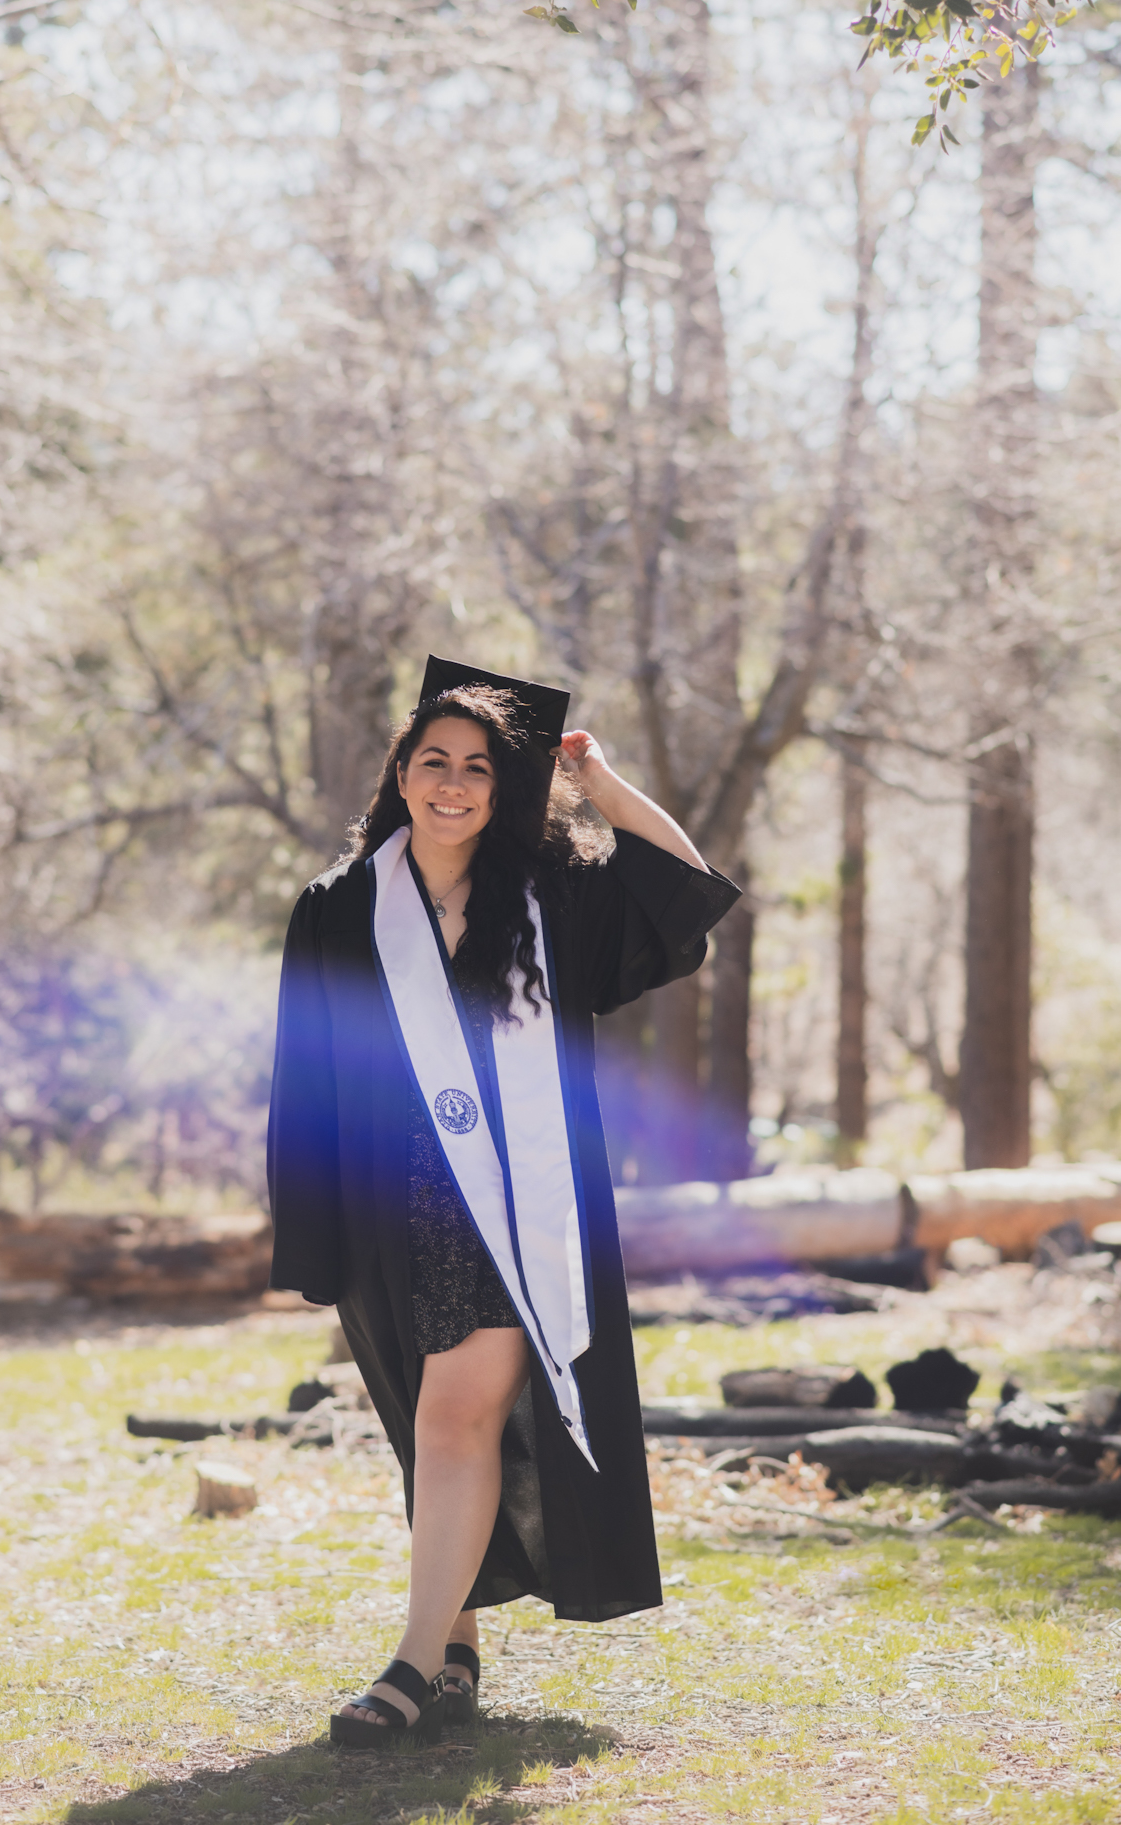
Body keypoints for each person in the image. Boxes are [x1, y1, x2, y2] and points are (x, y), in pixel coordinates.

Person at [266, 656, 739, 1747]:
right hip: (395, 1211)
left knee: (455, 1414)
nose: (454, 782)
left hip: (521, 1201)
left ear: (501, 786)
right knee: (428, 1431)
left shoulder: (550, 895)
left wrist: (604, 786)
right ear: (401, 769)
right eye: (433, 760)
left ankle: (410, 1664)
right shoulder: (340, 910)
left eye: (479, 766)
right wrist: (309, 1233)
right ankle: (462, 1636)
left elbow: (686, 895)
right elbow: (308, 1076)